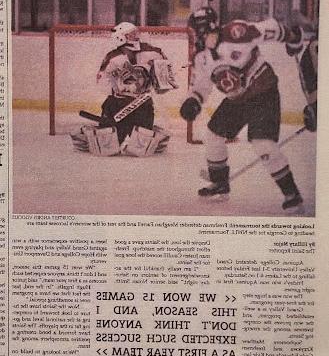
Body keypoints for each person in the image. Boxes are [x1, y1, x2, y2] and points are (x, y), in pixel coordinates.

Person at [180, 17, 305, 212]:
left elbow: (270, 28)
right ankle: (220, 183)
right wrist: (193, 101)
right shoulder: (201, 57)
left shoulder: (236, 33)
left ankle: (292, 194)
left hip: (263, 93)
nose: (198, 38)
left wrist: (293, 37)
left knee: (262, 143)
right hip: (236, 100)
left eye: (200, 33)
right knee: (213, 134)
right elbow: (201, 86)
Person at [70, 22, 176, 157]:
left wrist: (162, 81)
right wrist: (121, 86)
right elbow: (102, 81)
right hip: (117, 105)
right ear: (120, 37)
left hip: (143, 106)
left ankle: (155, 136)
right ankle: (85, 134)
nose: (136, 36)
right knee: (106, 148)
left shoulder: (153, 52)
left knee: (141, 150)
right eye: (131, 34)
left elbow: (165, 79)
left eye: (136, 33)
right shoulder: (113, 57)